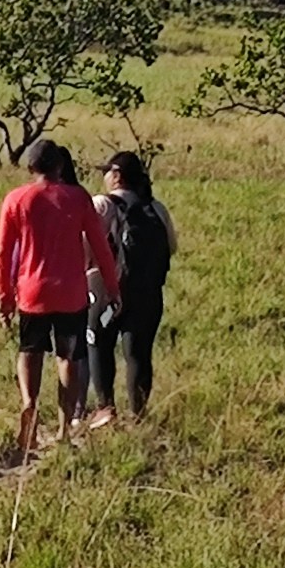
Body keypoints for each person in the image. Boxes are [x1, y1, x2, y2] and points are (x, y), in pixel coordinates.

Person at [0, 139, 117, 457]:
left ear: (31, 167)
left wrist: (5, 297)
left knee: (29, 351)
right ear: (60, 165)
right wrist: (113, 288)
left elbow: (4, 253)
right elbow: (101, 247)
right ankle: (63, 429)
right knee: (68, 358)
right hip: (71, 292)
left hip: (31, 292)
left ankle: (29, 404)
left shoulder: (16, 199)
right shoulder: (77, 198)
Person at [90, 149, 176, 422]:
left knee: (98, 343)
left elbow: (84, 247)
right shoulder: (156, 208)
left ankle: (105, 409)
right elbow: (171, 247)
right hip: (148, 292)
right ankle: (138, 415)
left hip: (107, 292)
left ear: (116, 176)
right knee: (138, 354)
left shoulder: (102, 205)